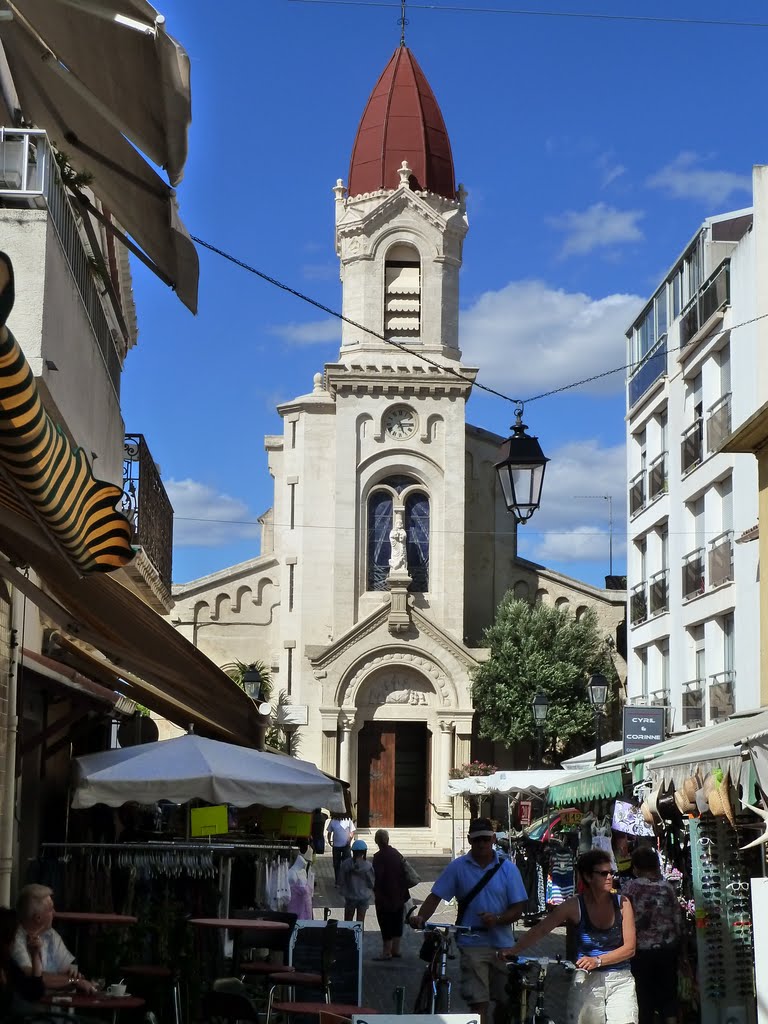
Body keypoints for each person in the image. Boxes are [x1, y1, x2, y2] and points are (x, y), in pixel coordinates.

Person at [409, 818, 528, 1024]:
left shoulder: (508, 869)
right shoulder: (458, 867)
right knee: (478, 1002)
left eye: (485, 839)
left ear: (493, 839)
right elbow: (435, 896)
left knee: (505, 1000)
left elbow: (518, 908)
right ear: (469, 840)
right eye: (476, 840)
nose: (481, 844)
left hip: (504, 944)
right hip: (472, 943)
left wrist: (498, 919)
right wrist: (421, 917)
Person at [500, 848, 637, 1024]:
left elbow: (630, 948)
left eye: (611, 872)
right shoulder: (574, 905)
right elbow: (541, 929)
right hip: (586, 979)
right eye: (603, 873)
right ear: (588, 877)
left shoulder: (622, 903)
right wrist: (513, 950)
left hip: (620, 978)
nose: (610, 877)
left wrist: (598, 960)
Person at [622, 846, 682, 1024]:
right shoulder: (668, 888)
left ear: (636, 867)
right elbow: (678, 920)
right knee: (668, 994)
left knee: (643, 995)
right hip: (667, 948)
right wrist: (681, 949)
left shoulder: (630, 889)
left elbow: (622, 919)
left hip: (640, 950)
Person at [12, 884, 98, 992]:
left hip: (55, 1005)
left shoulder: (51, 935)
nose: (54, 913)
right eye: (50, 909)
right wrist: (73, 981)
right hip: (28, 1007)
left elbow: (69, 972)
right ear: (38, 918)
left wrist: (74, 977)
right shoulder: (15, 939)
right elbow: (34, 977)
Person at [372, 829, 409, 960]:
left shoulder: (378, 857)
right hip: (399, 893)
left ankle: (386, 952)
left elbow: (378, 877)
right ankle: (396, 949)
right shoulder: (396, 853)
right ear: (387, 840)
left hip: (385, 896)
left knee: (385, 922)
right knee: (397, 921)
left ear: (376, 841)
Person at [1, 907, 44, 1017]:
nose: (15, 941)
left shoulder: (8, 963)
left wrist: (35, 955)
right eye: (14, 936)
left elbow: (35, 992)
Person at [339, 839, 375, 925]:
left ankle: (347, 937)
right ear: (364, 852)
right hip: (364, 897)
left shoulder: (345, 864)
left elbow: (340, 880)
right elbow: (371, 883)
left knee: (347, 921)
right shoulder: (368, 866)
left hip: (350, 896)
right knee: (360, 921)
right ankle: (359, 938)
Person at [327, 813, 353, 884]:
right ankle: (338, 880)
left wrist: (349, 840)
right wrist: (329, 841)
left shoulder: (348, 820)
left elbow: (352, 831)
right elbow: (329, 832)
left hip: (346, 846)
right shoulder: (333, 821)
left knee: (346, 863)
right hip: (336, 846)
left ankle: (346, 879)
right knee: (336, 864)